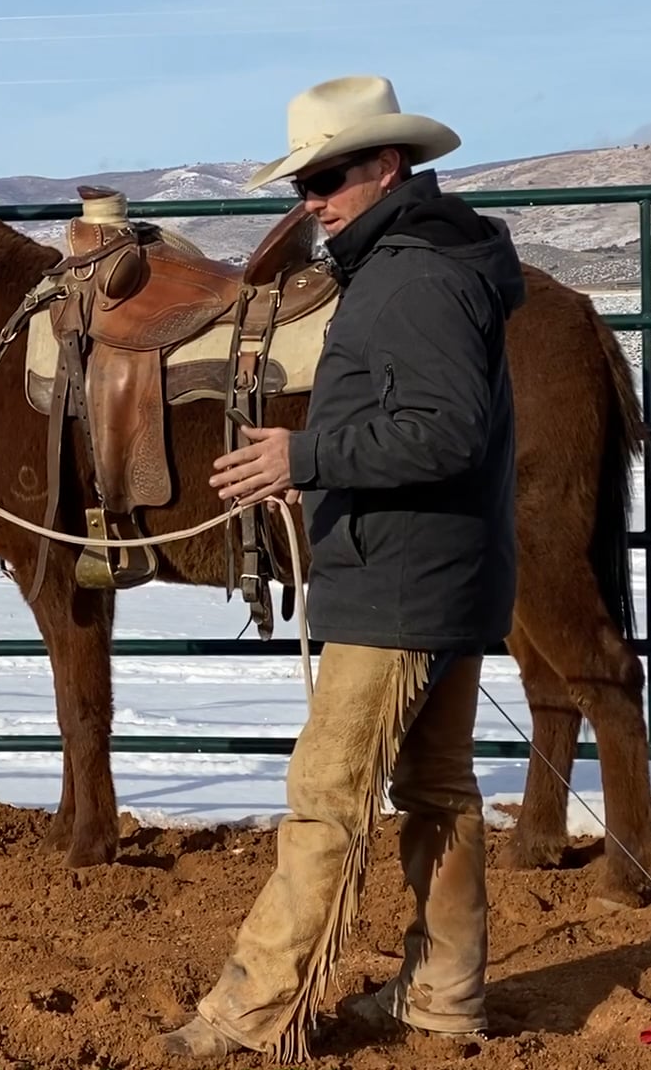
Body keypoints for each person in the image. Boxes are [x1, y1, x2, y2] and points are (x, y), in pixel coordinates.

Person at [157, 75, 526, 1063]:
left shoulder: (411, 280)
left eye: (326, 178)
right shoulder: (423, 264)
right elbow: (422, 426)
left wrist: (303, 458)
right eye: (301, 183)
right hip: (436, 571)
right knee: (439, 789)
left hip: (399, 584)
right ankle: (443, 998)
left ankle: (253, 1012)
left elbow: (445, 432)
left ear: (386, 167)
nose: (310, 201)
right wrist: (318, 471)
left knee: (327, 796)